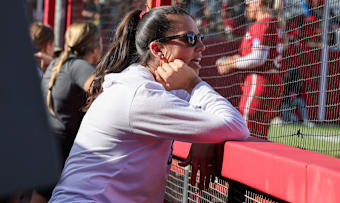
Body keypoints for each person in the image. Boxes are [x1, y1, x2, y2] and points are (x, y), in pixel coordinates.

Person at [49, 6, 249, 202]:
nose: (201, 47)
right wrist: (194, 84)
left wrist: (205, 136)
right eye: (190, 39)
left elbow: (216, 117)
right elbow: (235, 125)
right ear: (157, 49)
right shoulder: (140, 94)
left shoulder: (150, 86)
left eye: (200, 38)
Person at [33, 22, 102, 202]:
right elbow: (102, 93)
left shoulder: (59, 62)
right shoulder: (79, 66)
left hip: (48, 140)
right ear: (95, 47)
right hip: (60, 145)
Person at [216, 0, 284, 140]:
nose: (246, 7)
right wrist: (234, 59)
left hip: (260, 81)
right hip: (272, 81)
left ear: (258, 2)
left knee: (245, 131)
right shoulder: (273, 22)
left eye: (248, 3)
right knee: (260, 134)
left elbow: (259, 58)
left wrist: (232, 63)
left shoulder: (262, 23)